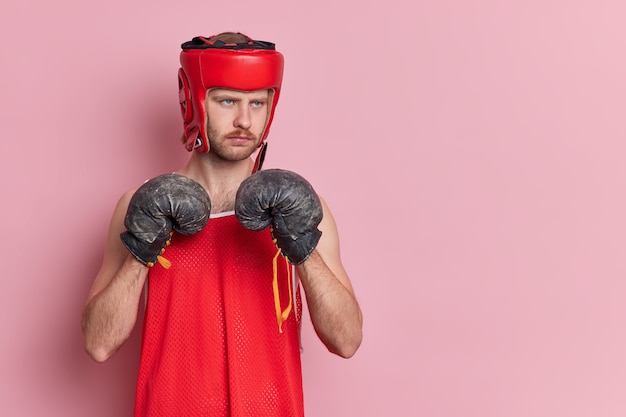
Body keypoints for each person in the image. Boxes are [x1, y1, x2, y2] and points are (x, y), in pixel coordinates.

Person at [81, 31, 363, 417]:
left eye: (257, 103)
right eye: (227, 100)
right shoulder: (139, 205)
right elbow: (98, 344)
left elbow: (346, 341)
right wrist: (140, 251)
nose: (244, 120)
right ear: (195, 102)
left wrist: (304, 247)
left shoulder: (302, 208)